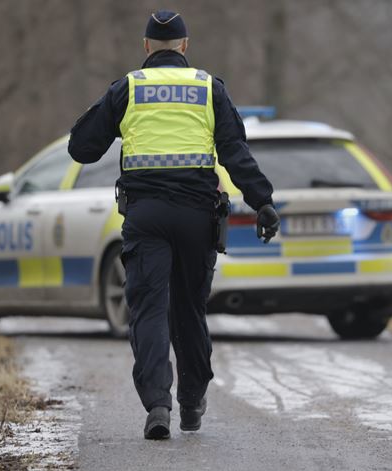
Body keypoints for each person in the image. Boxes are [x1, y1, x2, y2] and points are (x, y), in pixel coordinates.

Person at [68, 10, 279, 440]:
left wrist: (106, 113)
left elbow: (81, 149)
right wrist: (263, 202)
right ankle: (192, 403)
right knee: (189, 310)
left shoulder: (128, 88)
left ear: (147, 47)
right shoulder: (208, 88)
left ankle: (158, 405)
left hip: (146, 217)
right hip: (196, 216)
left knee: (148, 309)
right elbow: (235, 152)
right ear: (184, 46)